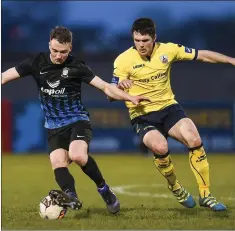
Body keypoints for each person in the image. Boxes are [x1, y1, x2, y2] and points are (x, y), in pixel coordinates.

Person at [1, 26, 149, 214]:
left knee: (78, 155)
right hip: (53, 127)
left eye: (63, 52)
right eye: (54, 51)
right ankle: (70, 196)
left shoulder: (76, 66)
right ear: (49, 45)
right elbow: (4, 76)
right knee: (57, 162)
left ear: (70, 48)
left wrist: (130, 98)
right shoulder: (37, 62)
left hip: (77, 120)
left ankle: (104, 189)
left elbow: (105, 87)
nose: (58, 56)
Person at [109, 18, 235, 211]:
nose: (141, 45)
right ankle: (175, 187)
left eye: (145, 40)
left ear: (154, 38)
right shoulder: (123, 60)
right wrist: (120, 88)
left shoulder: (168, 50)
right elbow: (110, 94)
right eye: (137, 40)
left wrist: (230, 60)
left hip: (169, 107)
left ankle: (205, 195)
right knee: (160, 146)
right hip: (142, 115)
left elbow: (202, 55)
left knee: (194, 139)